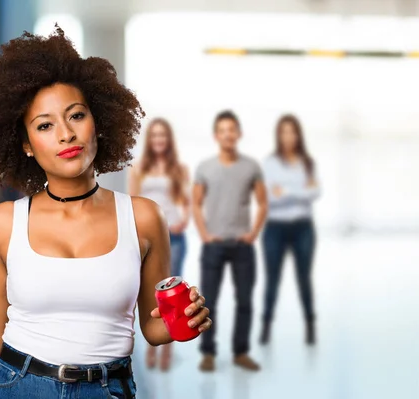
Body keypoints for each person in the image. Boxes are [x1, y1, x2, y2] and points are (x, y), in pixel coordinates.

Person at [0, 26, 212, 399]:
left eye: (76, 116)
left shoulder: (142, 217)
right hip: (17, 384)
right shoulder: (3, 223)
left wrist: (185, 318)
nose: (65, 134)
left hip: (107, 389)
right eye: (45, 125)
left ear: (99, 122)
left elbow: (153, 329)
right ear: (27, 146)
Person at [192, 110, 267, 372]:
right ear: (216, 136)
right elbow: (196, 203)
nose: (228, 135)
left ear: (239, 133)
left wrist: (253, 234)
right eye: (222, 130)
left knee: (245, 301)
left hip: (242, 246)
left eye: (232, 130)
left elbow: (263, 202)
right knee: (208, 301)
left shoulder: (251, 166)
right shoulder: (205, 167)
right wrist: (204, 234)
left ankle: (241, 352)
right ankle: (208, 353)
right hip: (214, 245)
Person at [128, 118, 190, 372]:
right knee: (150, 296)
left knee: (172, 297)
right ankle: (151, 349)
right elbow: (132, 202)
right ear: (149, 140)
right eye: (154, 136)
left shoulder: (179, 169)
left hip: (174, 236)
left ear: (169, 139)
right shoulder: (139, 168)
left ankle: (168, 349)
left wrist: (183, 221)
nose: (158, 140)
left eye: (163, 136)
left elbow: (185, 202)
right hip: (145, 238)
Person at [260, 114, 320, 346]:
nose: (288, 136)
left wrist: (286, 192)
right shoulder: (270, 163)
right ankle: (266, 326)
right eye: (284, 131)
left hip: (303, 227)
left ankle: (310, 324)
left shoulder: (307, 162)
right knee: (272, 278)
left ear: (298, 135)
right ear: (279, 135)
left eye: (292, 131)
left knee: (304, 277)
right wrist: (299, 191)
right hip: (275, 227)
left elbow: (315, 193)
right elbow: (270, 198)